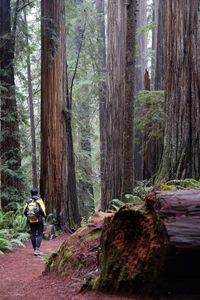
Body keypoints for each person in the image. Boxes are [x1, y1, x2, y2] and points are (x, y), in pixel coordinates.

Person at [24, 188, 46, 256]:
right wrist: (44, 216)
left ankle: (35, 250)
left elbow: (24, 211)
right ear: (37, 193)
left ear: (31, 193)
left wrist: (29, 216)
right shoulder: (39, 200)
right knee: (40, 234)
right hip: (39, 219)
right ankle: (37, 249)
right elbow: (42, 210)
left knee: (33, 234)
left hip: (31, 220)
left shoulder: (28, 201)